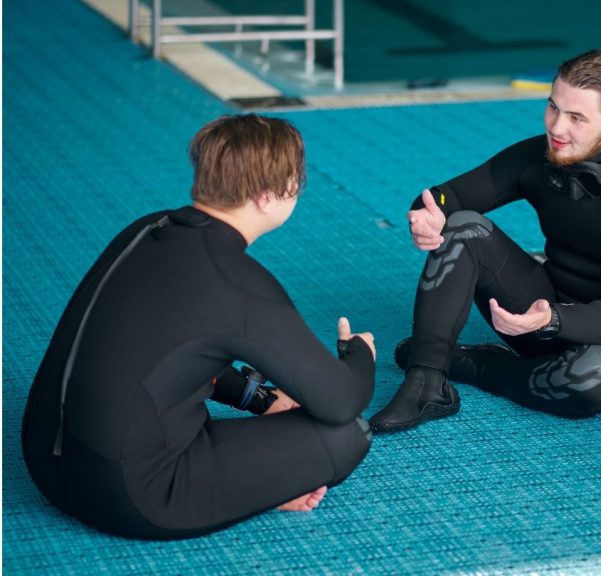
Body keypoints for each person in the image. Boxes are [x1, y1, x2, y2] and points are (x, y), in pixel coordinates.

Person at [21, 114, 376, 540]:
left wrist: (260, 399)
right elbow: (341, 400)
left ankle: (245, 481)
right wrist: (359, 354)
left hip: (45, 458)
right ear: (270, 196)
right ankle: (256, 490)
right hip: (131, 494)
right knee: (347, 436)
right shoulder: (239, 284)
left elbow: (171, 346)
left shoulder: (148, 228)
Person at [370, 50, 601, 433]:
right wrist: (427, 216)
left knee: (590, 379)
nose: (557, 128)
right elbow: (447, 198)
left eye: (577, 118)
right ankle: (427, 379)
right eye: (553, 107)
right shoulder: (542, 154)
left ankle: (479, 365)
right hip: (539, 310)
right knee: (463, 227)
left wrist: (553, 318)